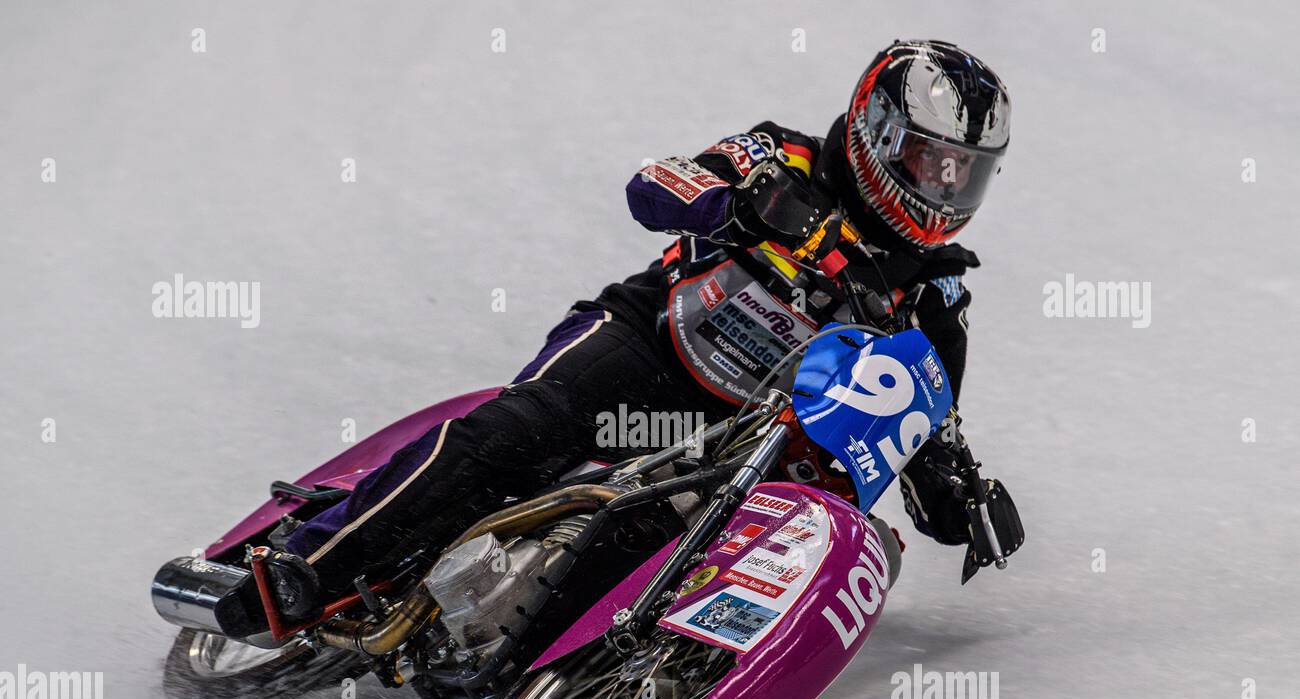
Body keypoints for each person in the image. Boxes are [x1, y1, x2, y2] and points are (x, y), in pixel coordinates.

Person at [262, 38, 1019, 623]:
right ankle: (308, 567)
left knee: (659, 548)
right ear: (878, 132)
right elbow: (654, 183)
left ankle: (583, 673)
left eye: (965, 171)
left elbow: (921, 408)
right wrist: (746, 208)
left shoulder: (934, 290)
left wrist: (961, 495)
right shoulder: (783, 156)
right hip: (648, 342)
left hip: (728, 439)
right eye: (931, 161)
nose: (945, 188)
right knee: (511, 436)